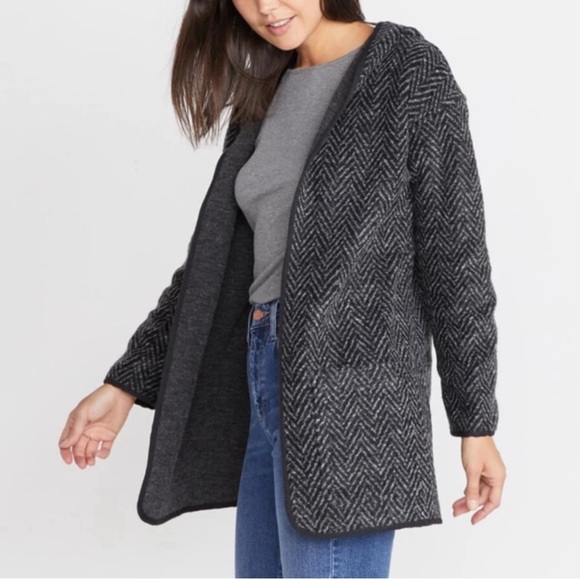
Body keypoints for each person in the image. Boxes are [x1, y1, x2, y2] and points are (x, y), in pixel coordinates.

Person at [58, 1, 507, 577]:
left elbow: (455, 253)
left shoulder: (407, 70)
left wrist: (475, 422)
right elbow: (213, 270)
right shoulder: (263, 94)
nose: (265, 7)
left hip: (351, 402)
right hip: (261, 380)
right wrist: (124, 383)